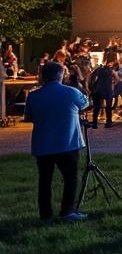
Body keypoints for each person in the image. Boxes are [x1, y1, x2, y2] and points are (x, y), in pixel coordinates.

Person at [26, 61, 89, 222]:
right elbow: (86, 103)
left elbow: (29, 117)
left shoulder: (33, 96)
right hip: (67, 142)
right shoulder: (71, 92)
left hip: (43, 144)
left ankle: (45, 214)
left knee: (45, 180)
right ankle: (67, 211)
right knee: (70, 178)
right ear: (62, 75)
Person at [88, 58, 116, 129]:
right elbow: (117, 79)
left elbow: (91, 78)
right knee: (108, 107)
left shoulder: (97, 69)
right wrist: (112, 86)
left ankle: (94, 123)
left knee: (96, 107)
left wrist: (91, 88)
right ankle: (108, 122)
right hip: (107, 90)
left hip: (97, 90)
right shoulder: (111, 71)